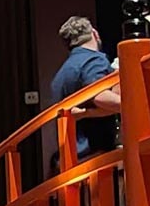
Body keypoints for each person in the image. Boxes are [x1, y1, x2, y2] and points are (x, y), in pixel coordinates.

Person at [51, 15, 122, 159]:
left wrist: (85, 112)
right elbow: (101, 97)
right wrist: (138, 107)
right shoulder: (94, 60)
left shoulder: (63, 71)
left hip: (72, 156)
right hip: (96, 156)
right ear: (94, 33)